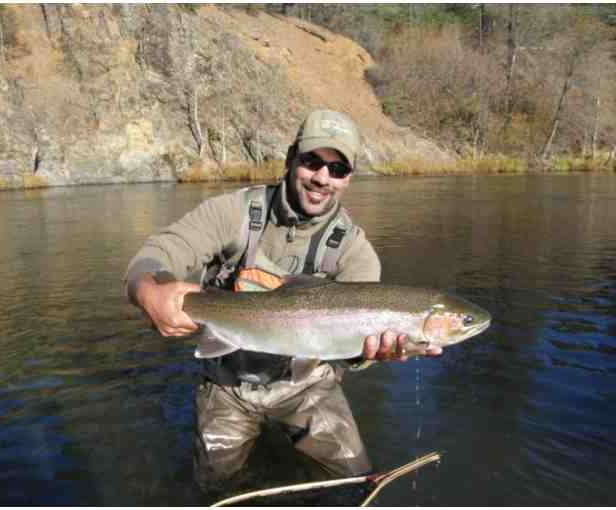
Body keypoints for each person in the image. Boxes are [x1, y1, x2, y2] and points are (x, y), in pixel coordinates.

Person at [123, 110, 442, 489]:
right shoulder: (235, 213)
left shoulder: (355, 253)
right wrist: (148, 291)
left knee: (354, 480)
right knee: (215, 484)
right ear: (291, 158)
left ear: (348, 178)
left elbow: (353, 347)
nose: (323, 178)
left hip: (307, 385)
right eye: (312, 162)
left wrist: (370, 355)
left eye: (338, 169)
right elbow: (160, 252)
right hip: (228, 382)